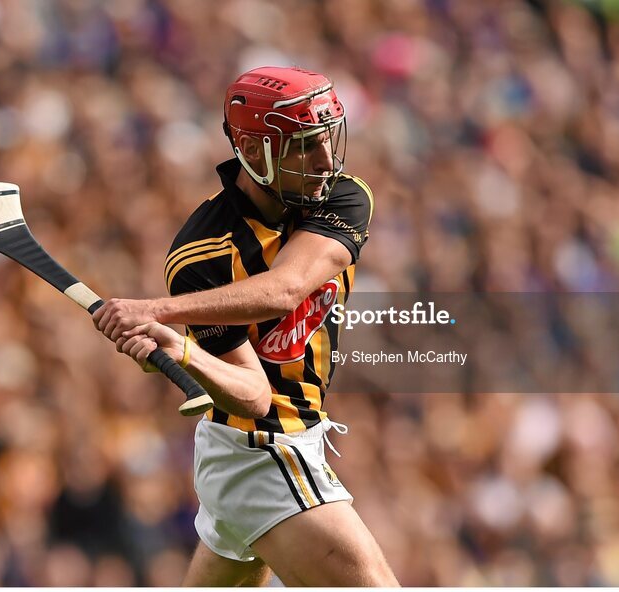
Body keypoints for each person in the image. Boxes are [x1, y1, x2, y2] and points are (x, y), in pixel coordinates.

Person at [92, 66, 398, 587]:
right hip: (261, 451)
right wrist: (182, 351)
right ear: (255, 152)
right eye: (304, 146)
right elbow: (253, 396)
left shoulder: (343, 197)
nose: (326, 160)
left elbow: (285, 288)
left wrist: (160, 315)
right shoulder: (200, 256)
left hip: (276, 443)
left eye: (327, 138)